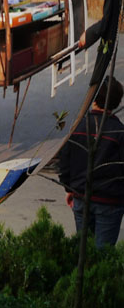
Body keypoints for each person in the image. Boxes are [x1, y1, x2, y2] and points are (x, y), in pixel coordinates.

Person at [58, 76, 124, 247]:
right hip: (110, 202)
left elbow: (65, 163)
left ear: (94, 98)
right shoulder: (119, 131)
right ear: (116, 102)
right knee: (102, 258)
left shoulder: (78, 127)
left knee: (83, 252)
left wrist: (69, 188)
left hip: (81, 196)